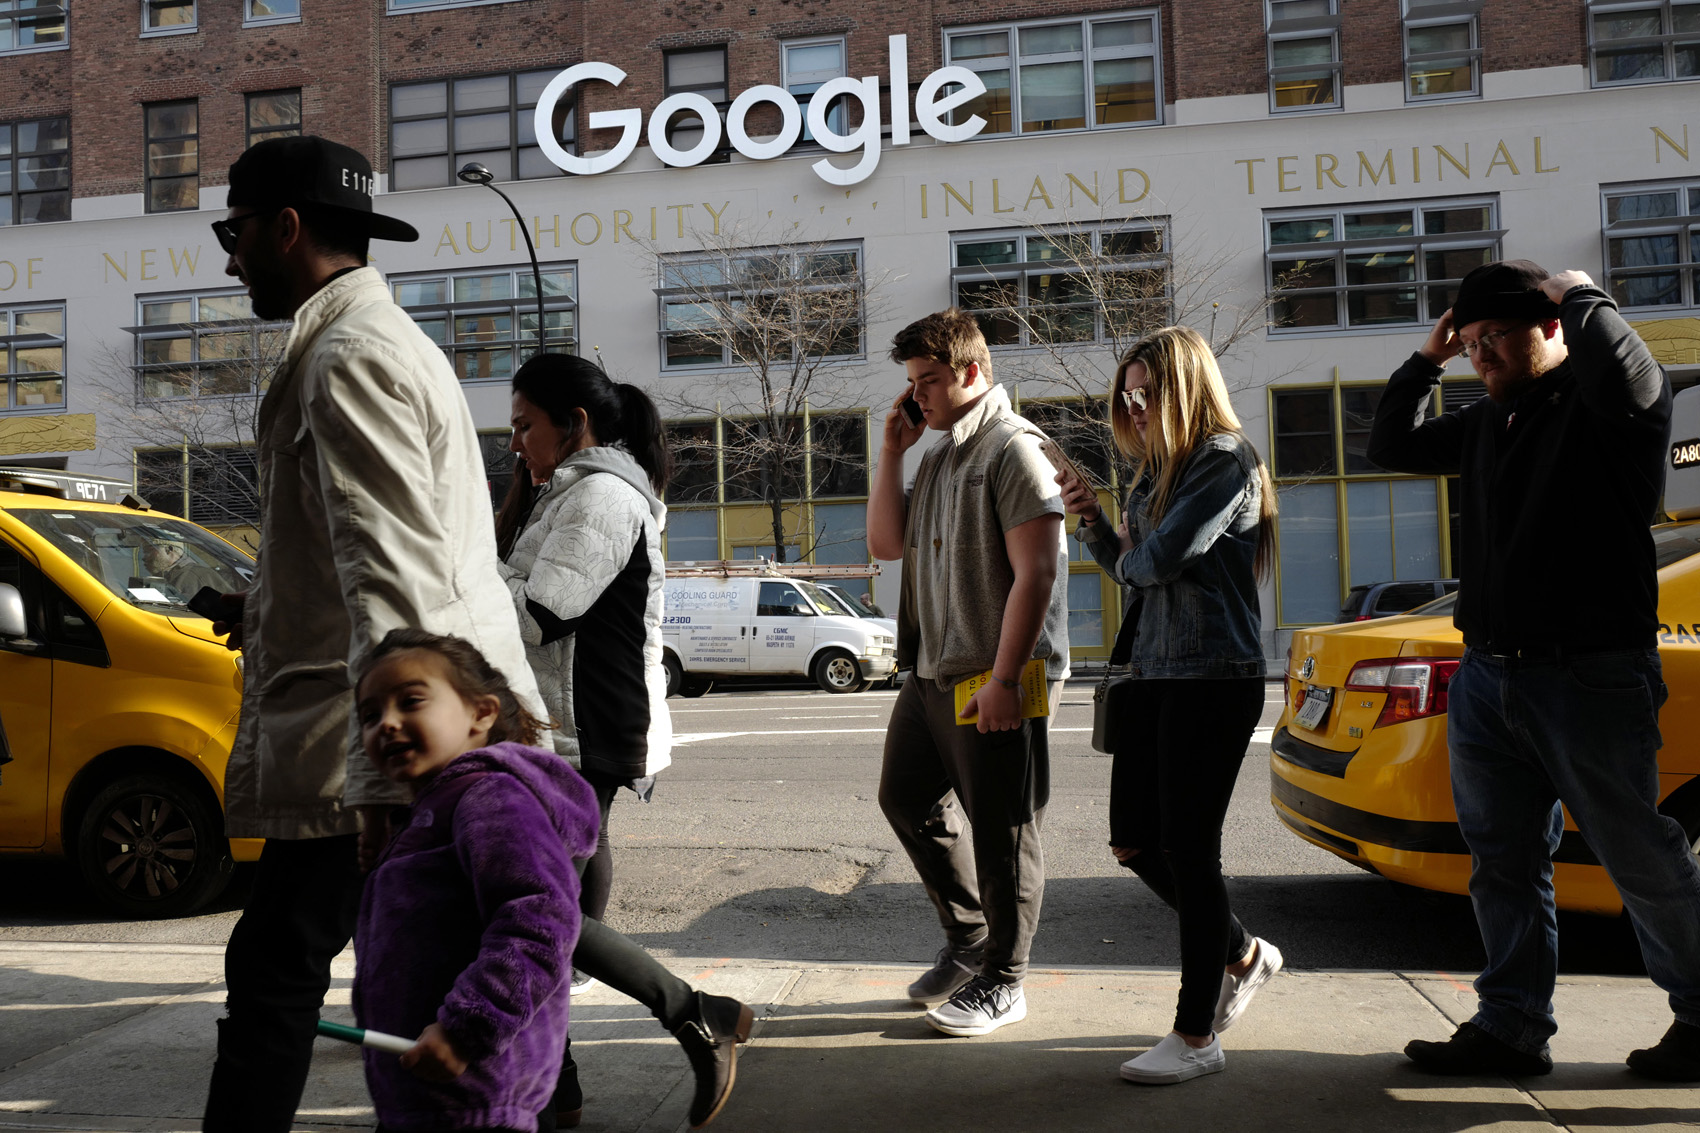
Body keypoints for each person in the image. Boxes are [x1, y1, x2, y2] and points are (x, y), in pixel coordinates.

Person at [201, 135, 546, 1132]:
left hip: (394, 742)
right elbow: (375, 549)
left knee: (275, 968)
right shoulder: (379, 342)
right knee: (446, 947)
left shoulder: (348, 356)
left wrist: (393, 776)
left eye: (235, 232)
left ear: (286, 226)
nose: (230, 258)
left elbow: (392, 573)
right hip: (433, 721)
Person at [1368, 260, 1700, 1081]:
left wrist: (1581, 295)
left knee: (1639, 856)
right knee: (1503, 860)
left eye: (1496, 338)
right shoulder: (1486, 423)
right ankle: (1512, 1025)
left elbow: (1631, 369)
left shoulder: (1609, 411)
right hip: (1488, 676)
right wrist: (1427, 358)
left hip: (1587, 677)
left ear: (1549, 328)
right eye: (1471, 341)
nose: (1482, 355)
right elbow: (1388, 443)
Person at [494, 352, 751, 1129]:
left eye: (524, 425)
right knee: (547, 920)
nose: (516, 443)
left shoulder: (603, 496)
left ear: (575, 424)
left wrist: (466, 574)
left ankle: (694, 1012)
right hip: (564, 731)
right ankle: (557, 1084)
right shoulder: (567, 493)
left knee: (539, 919)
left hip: (581, 736)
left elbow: (541, 612)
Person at [1058, 326, 1282, 1085]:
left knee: (1190, 848)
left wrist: (1126, 549)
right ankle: (1243, 952)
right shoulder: (1157, 473)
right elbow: (1130, 569)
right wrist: (1092, 520)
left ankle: (1196, 1036)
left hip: (1213, 676)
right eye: (1126, 395)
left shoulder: (1224, 460)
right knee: (1132, 841)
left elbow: (1156, 560)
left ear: (1182, 387)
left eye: (1145, 393)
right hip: (1154, 673)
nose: (1134, 406)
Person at [866, 307, 1071, 1038]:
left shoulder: (1015, 449)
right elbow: (887, 544)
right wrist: (892, 453)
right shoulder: (940, 453)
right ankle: (970, 938)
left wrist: (1007, 678)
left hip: (992, 675)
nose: (917, 395)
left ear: (971, 372)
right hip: (929, 673)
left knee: (1004, 831)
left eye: (927, 380)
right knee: (905, 796)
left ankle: (1005, 980)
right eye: (912, 384)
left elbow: (1038, 572)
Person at [353, 629, 598, 1133]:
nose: (388, 723)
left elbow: (539, 923)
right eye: (370, 714)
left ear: (481, 714)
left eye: (411, 701)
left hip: (478, 1093)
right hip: (425, 1093)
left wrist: (466, 1029)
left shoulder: (490, 800)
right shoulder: (428, 811)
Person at [140, 535, 224, 601]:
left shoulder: (200, 576)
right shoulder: (164, 575)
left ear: (169, 549)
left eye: (148, 551)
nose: (144, 557)